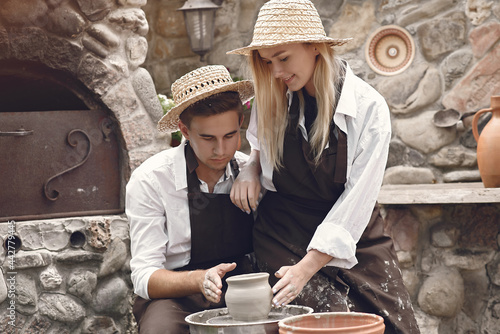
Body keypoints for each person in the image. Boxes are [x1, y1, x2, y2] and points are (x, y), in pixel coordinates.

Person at [227, 0, 420, 333]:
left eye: (283, 58)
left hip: (352, 231)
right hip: (283, 232)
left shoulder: (367, 108)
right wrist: (250, 168)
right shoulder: (273, 94)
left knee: (394, 325)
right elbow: (258, 147)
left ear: (315, 46)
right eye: (268, 61)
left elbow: (357, 200)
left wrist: (308, 267)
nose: (276, 72)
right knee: (322, 320)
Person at [126, 65, 255, 333]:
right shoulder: (151, 180)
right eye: (207, 138)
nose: (221, 150)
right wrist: (200, 279)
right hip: (175, 295)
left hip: (244, 286)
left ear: (240, 123)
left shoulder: (252, 172)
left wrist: (254, 169)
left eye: (230, 135)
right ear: (184, 131)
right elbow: (144, 276)